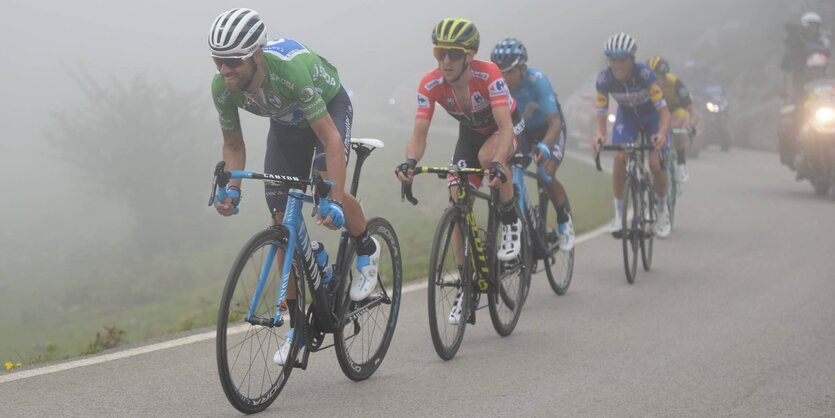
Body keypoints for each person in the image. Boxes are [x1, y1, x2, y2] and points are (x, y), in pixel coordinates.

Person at [206, 8, 379, 364]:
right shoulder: (223, 88)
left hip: (327, 110)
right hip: (286, 126)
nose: (224, 69)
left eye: (233, 61)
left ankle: (366, 246)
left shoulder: (290, 73)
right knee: (281, 221)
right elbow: (234, 146)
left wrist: (331, 196)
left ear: (256, 55)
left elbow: (331, 140)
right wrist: (232, 191)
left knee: (331, 192)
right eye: (217, 59)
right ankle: (298, 327)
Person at [395, 18, 524, 324]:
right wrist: (410, 162)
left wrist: (498, 164)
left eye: (453, 54)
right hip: (470, 135)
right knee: (456, 195)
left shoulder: (488, 73)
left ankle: (510, 219)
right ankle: (466, 283)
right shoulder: (430, 84)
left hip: (505, 128)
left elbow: (505, 127)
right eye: (440, 53)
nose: (446, 61)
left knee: (489, 155)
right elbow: (419, 135)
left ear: (469, 55)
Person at [490, 38, 575, 251]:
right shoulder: (497, 85)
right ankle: (523, 229)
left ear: (522, 68)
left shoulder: (538, 80)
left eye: (509, 72)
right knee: (508, 171)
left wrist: (545, 146)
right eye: (500, 73)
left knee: (545, 172)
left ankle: (564, 219)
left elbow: (555, 122)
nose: (504, 78)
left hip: (549, 129)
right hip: (523, 131)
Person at [591, 33, 672, 238]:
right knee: (619, 158)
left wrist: (662, 134)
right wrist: (600, 135)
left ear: (632, 59)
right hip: (627, 118)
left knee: (655, 164)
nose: (617, 65)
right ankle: (619, 216)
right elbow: (600, 113)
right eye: (612, 60)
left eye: (622, 60)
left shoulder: (645, 75)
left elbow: (664, 112)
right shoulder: (603, 79)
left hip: (653, 118)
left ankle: (662, 210)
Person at [647, 56, 701, 183]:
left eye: (658, 77)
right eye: (651, 78)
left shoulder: (675, 83)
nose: (654, 82)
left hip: (677, 109)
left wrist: (691, 125)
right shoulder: (647, 86)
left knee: (675, 126)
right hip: (659, 110)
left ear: (665, 76)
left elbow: (693, 111)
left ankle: (681, 164)